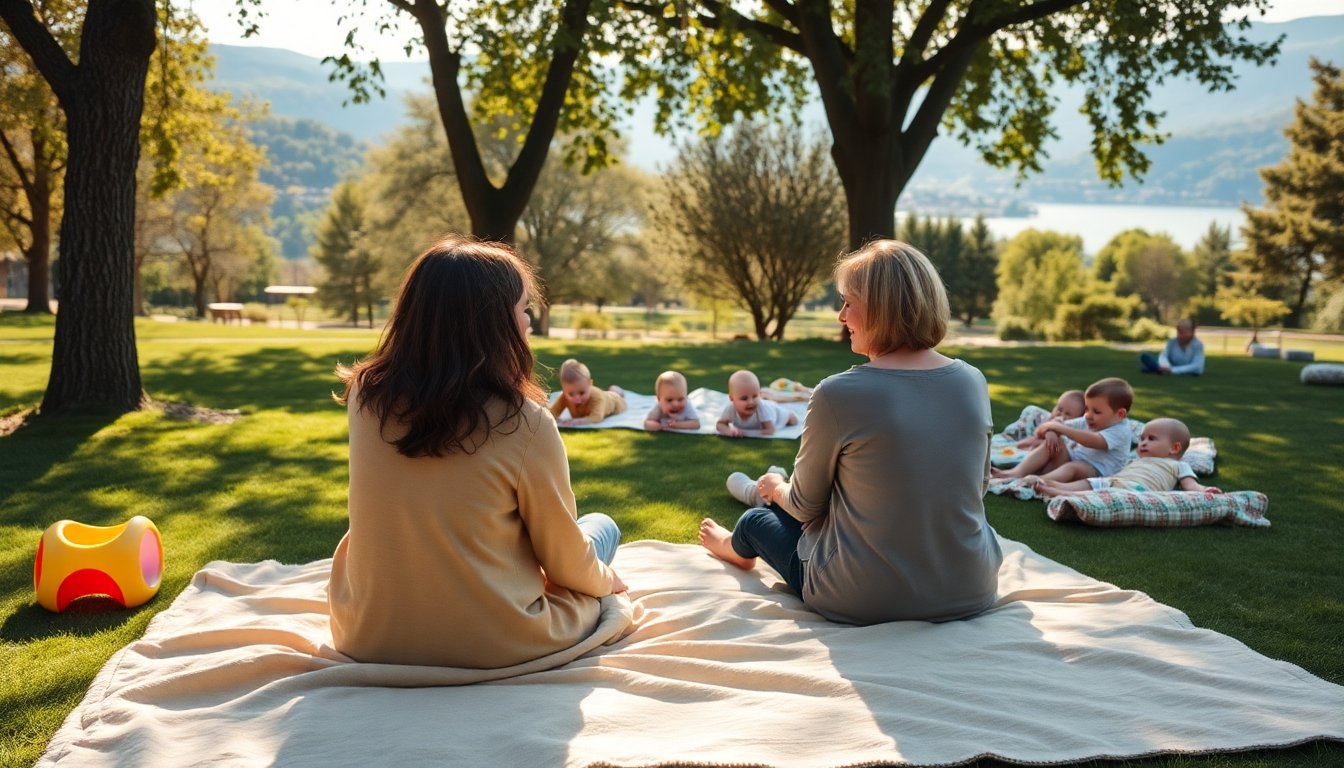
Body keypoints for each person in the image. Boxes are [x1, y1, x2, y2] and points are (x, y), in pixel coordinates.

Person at [327, 237, 627, 669]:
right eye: (522, 309)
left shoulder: (364, 396)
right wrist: (606, 582)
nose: (527, 323)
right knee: (601, 528)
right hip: (496, 641)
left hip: (366, 634)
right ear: (492, 325)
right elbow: (564, 562)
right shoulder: (526, 423)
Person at [699, 240, 1002, 625]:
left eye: (847, 302)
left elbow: (806, 506)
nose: (841, 316)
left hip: (859, 597)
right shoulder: (972, 381)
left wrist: (775, 486)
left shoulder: (837, 393)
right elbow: (978, 486)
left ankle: (732, 546)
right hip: (970, 587)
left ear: (880, 308)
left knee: (757, 521)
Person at [990, 377, 1134, 485]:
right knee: (1055, 442)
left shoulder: (1121, 431)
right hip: (1069, 460)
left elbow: (1093, 441)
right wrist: (1053, 432)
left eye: (1096, 411)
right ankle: (1015, 473)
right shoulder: (1087, 420)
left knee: (1073, 467)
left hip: (1096, 473)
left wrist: (1059, 428)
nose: (1088, 415)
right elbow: (1053, 425)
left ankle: (1038, 481)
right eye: (1087, 409)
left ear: (1120, 414)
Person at [1035, 417, 1221, 497]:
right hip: (1116, 481)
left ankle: (1061, 492)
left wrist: (1204, 490)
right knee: (1093, 483)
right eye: (1142, 439)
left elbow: (1191, 485)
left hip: (1139, 490)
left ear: (1174, 448)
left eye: (1151, 439)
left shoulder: (1179, 465)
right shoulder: (1136, 459)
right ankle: (1054, 485)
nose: (1143, 443)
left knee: (1102, 492)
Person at [716, 369, 799, 438]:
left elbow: (770, 430)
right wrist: (729, 431)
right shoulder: (730, 408)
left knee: (793, 420)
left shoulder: (762, 408)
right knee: (769, 404)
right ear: (731, 398)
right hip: (768, 407)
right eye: (744, 398)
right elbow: (720, 425)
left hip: (778, 415)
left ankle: (778, 404)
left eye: (755, 396)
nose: (751, 402)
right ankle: (770, 400)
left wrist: (744, 433)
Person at [550, 358, 627, 426]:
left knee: (615, 394)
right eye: (571, 394)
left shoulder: (597, 397)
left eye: (582, 393)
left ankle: (616, 390)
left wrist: (578, 421)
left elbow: (597, 417)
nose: (577, 398)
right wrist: (556, 420)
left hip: (615, 402)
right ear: (563, 389)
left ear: (590, 383)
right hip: (604, 396)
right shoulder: (564, 397)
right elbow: (553, 413)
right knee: (606, 394)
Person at [1014, 389, 1086, 450]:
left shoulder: (1071, 437)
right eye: (1059, 409)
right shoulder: (1045, 421)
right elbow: (1035, 436)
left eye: (1068, 414)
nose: (1060, 415)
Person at [1141, 318, 1205, 375]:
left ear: (1192, 332)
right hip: (1169, 366)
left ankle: (1156, 369)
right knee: (1145, 356)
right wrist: (1166, 366)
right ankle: (1159, 369)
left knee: (1153, 365)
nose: (1180, 334)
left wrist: (1173, 370)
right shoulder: (1172, 342)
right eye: (1179, 331)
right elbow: (1163, 356)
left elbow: (1197, 367)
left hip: (1175, 369)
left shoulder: (1197, 345)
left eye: (1184, 331)